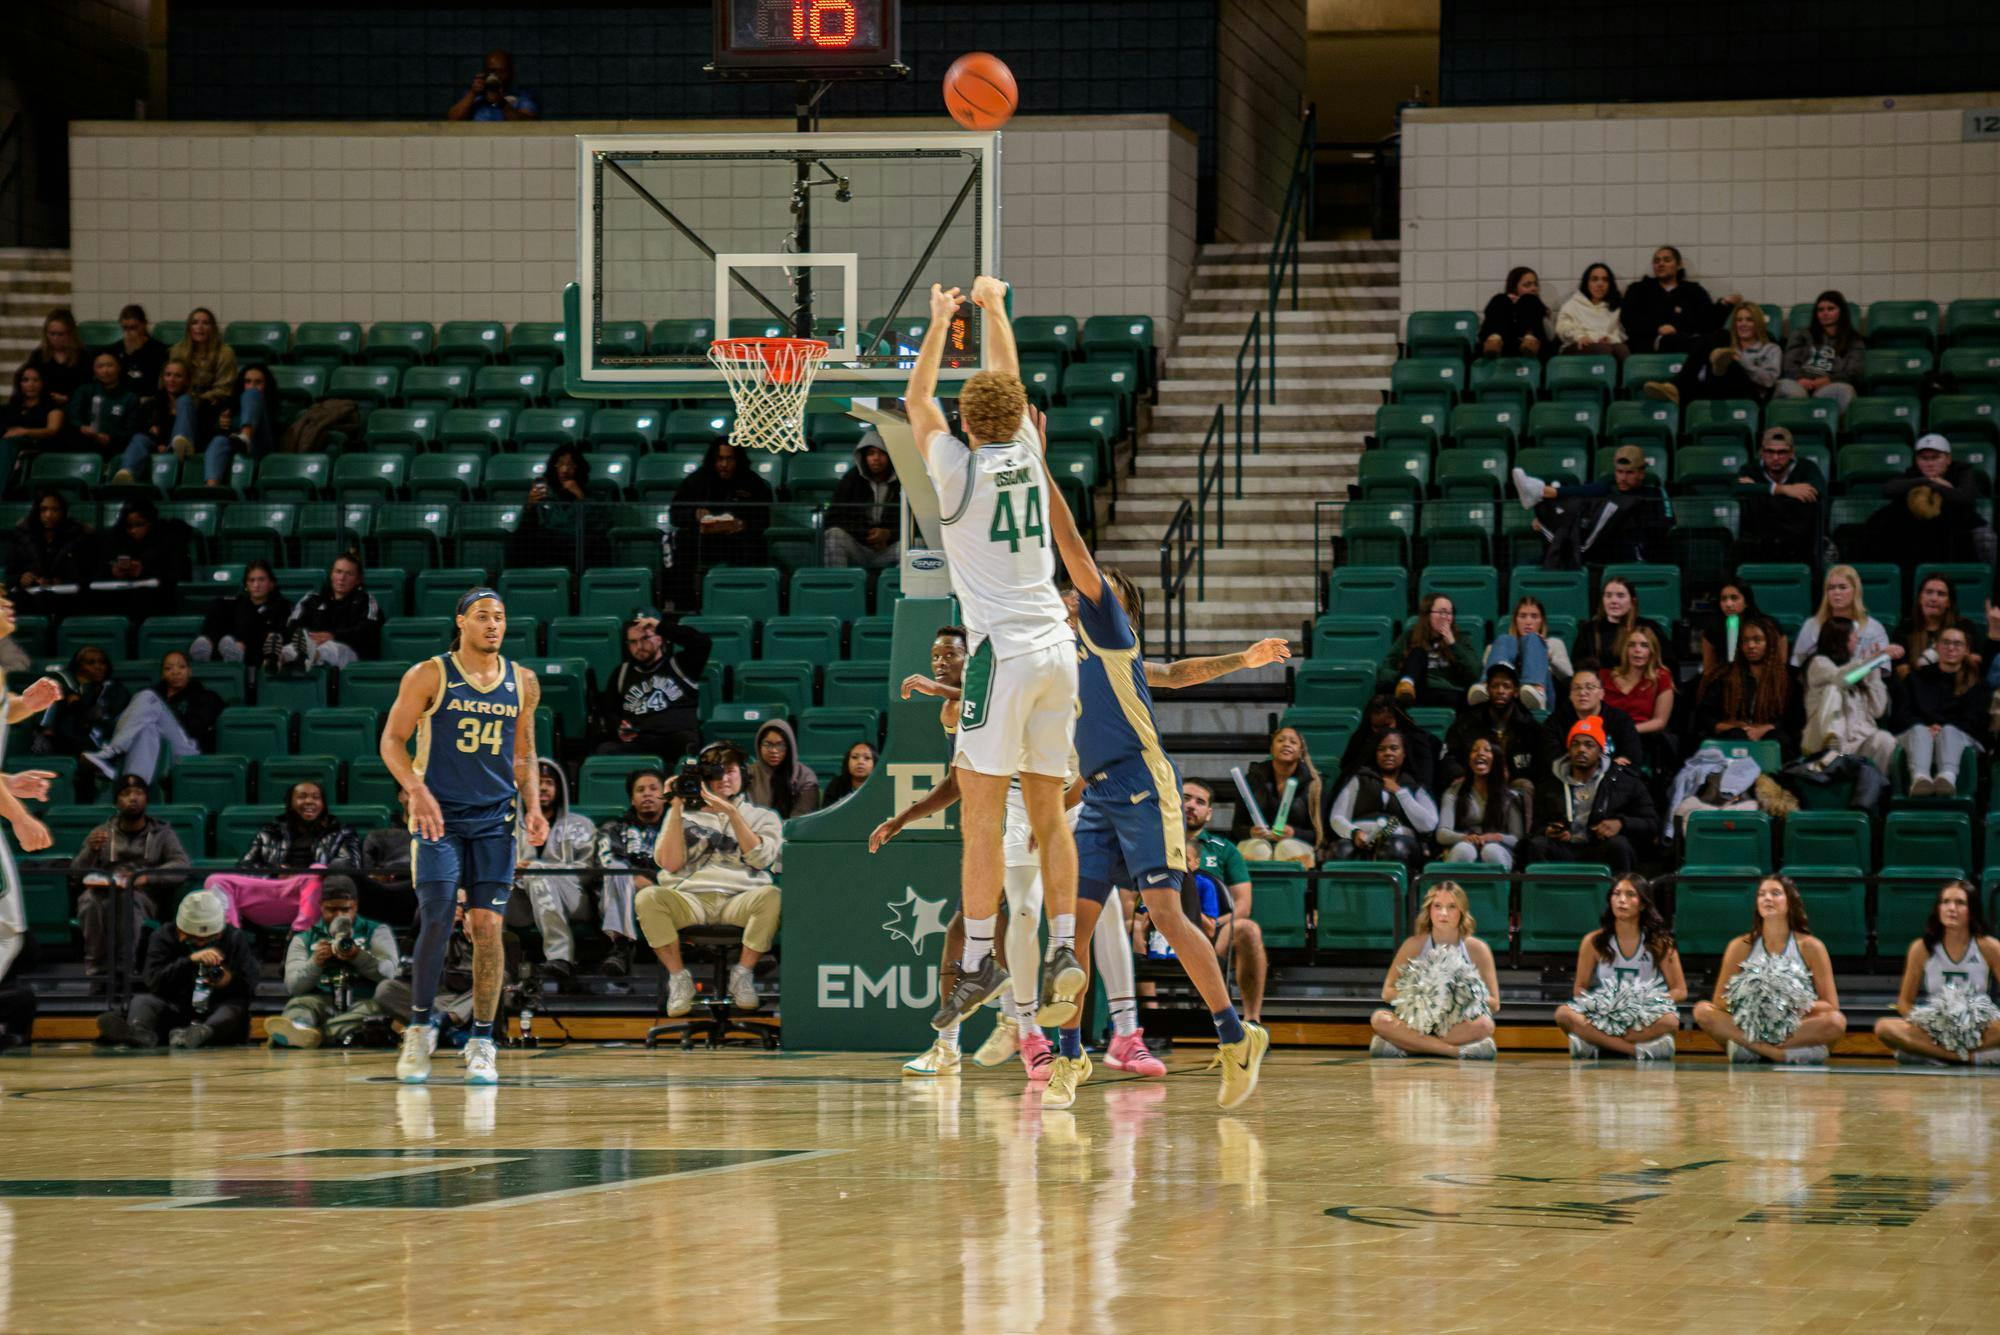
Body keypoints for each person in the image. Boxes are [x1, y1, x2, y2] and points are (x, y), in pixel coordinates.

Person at [1034, 473, 1272, 1111]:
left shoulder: (1108, 629)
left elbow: (1073, 548)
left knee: (1166, 913)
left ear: (1121, 608)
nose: (1084, 590)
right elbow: (1170, 675)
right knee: (1071, 934)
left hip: (1144, 785)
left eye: (1100, 588)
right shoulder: (1077, 660)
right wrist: (1056, 810)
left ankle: (1234, 1037)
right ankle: (1068, 1055)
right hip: (1102, 794)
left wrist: (1040, 466)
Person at [909, 277, 1085, 1052]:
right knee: (1048, 815)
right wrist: (996, 308)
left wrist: (940, 321)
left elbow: (917, 402)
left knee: (980, 817)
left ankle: (979, 960)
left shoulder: (957, 466)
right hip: (1058, 649)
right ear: (1016, 418)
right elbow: (1006, 384)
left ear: (966, 423)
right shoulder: (1028, 447)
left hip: (1003, 654)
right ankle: (1064, 948)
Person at [871, 624, 1059, 1082]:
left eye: (949, 654)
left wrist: (940, 688)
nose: (939, 661)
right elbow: (959, 782)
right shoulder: (954, 714)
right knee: (970, 931)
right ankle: (959, 1042)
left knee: (1016, 933)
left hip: (1032, 818)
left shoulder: (998, 698)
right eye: (935, 655)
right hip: (994, 831)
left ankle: (1026, 1032)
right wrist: (903, 818)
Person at [379, 589, 546, 1086]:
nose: (493, 625)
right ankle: (418, 1026)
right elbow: (391, 740)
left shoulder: (523, 682)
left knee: (488, 928)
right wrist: (415, 790)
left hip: (495, 819)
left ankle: (481, 1039)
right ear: (461, 622)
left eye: (499, 618)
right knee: (436, 917)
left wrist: (534, 806)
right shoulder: (429, 673)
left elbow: (524, 753)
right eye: (482, 617)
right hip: (439, 818)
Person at [636, 742, 783, 1017]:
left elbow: (761, 859)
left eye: (730, 771)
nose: (724, 779)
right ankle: (679, 979)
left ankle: (742, 975)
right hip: (691, 900)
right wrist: (676, 804)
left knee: (772, 896)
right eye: (716, 774)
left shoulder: (763, 816)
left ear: (744, 774)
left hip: (740, 900)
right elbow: (670, 863)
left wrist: (732, 814)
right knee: (648, 897)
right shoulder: (684, 815)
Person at [1692, 875, 1848, 1063]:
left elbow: (1830, 1005)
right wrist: (1755, 1004)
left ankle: (1751, 1050)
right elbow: (1719, 1000)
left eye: (1775, 893)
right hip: (1752, 1024)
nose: (1767, 898)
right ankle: (1779, 1054)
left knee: (1836, 1021)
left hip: (1792, 1025)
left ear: (1790, 902)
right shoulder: (1740, 945)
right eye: (1761, 894)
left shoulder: (1811, 946)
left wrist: (1786, 1005)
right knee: (1702, 1010)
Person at [94, 889, 258, 1049]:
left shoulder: (234, 938)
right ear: (181, 930)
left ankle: (201, 1034)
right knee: (142, 1001)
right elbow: (153, 982)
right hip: (174, 1008)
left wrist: (228, 980)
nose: (201, 943)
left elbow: (248, 987)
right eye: (194, 938)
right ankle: (138, 1032)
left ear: (220, 932)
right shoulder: (163, 936)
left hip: (215, 1011)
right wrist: (188, 962)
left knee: (235, 1007)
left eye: (208, 938)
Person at [69, 774, 193, 984]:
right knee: (89, 901)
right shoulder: (102, 833)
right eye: (126, 794)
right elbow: (76, 872)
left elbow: (182, 866)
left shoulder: (162, 833)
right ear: (117, 801)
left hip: (143, 895)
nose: (133, 798)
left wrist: (145, 877)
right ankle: (98, 970)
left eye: (139, 793)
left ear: (146, 799)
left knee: (128, 900)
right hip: (104, 891)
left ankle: (124, 969)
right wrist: (90, 851)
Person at [1552, 873, 1687, 1060]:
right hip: (1606, 1014)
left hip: (1642, 1014)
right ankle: (1638, 1051)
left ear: (1643, 904)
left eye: (1630, 894)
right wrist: (1601, 1006)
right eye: (1617, 894)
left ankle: (1596, 1045)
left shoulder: (1660, 942)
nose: (1621, 900)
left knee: (1670, 1021)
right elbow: (1580, 988)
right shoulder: (1593, 941)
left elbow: (1680, 990)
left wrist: (1645, 1002)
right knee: (1564, 1014)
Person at [204, 780, 362, 931]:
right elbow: (245, 866)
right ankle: (231, 936)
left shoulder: (341, 832)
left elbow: (351, 866)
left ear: (323, 804)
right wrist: (275, 871)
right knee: (216, 880)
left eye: (316, 797)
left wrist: (304, 873)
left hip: (317, 894)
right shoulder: (270, 831)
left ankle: (301, 934)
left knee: (316, 870)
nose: (309, 801)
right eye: (302, 797)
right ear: (290, 803)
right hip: (274, 890)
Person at [264, 876, 400, 1050]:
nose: (339, 915)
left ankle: (311, 1036)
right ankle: (301, 1028)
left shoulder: (376, 931)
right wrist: (315, 962)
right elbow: (293, 986)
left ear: (356, 906)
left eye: (345, 909)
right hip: (320, 1000)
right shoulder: (304, 939)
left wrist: (358, 956)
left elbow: (390, 974)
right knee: (299, 1005)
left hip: (362, 1000)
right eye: (331, 909)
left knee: (376, 1009)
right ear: (321, 906)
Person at [1872, 881, 2000, 1065]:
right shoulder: (1921, 948)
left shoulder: (1989, 946)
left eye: (1960, 903)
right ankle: (1969, 1058)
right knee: (1884, 1027)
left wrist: (1980, 1022)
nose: (1951, 908)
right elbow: (1904, 1002)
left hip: (1977, 1027)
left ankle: (1932, 1055)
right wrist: (1928, 1022)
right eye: (1945, 902)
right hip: (1937, 1027)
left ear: (1972, 910)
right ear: (1938, 908)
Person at [1368, 882, 1500, 1059]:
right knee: (1379, 1019)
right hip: (1418, 1023)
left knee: (1485, 1025)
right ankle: (1455, 1052)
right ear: (1429, 910)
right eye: (1437, 906)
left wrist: (1461, 997)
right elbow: (1387, 992)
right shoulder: (1413, 945)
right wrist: (1422, 996)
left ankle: (1407, 1046)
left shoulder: (1478, 949)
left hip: (1455, 1026)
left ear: (1462, 911)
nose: (1443, 913)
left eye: (1451, 907)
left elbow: (1494, 1003)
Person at [375, 889, 526, 1039]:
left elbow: (507, 977)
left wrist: (479, 939)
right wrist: (438, 928)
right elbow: (409, 956)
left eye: (466, 905)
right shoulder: (435, 919)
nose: (460, 909)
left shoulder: (499, 931)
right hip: (436, 997)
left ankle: (443, 1023)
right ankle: (446, 1032)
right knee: (385, 989)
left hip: (471, 1000)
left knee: (496, 978)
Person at [1179, 779, 1268, 1025]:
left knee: (1248, 929)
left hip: (1213, 927)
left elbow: (1243, 904)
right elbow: (1130, 899)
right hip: (1162, 926)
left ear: (1209, 813)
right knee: (1127, 926)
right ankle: (1148, 1025)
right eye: (1185, 798)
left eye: (1200, 802)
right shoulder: (1151, 844)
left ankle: (1252, 1021)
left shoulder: (1224, 849)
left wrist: (1217, 924)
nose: (1191, 805)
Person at [1523, 716, 1659, 872]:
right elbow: (1535, 827)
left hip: (1601, 848)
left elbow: (1652, 824)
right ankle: (1543, 895)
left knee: (1619, 845)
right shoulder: (1550, 783)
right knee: (1537, 845)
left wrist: (1621, 823)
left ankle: (1620, 894)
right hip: (1564, 849)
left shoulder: (1624, 781)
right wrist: (1547, 831)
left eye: (1589, 745)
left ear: (1600, 751)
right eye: (1575, 744)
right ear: (1568, 749)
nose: (1581, 749)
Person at [1510, 444, 1669, 568]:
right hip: (1593, 552)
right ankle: (1542, 493)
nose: (1623, 478)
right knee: (1524, 567)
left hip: (1635, 553)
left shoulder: (1655, 494)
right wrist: (1545, 520)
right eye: (1619, 472)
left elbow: (1666, 524)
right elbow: (1583, 502)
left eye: (1629, 473)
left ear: (1641, 473)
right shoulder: (1607, 489)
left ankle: (1540, 491)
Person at [512, 759, 596, 986]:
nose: (542, 788)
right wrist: (512, 872)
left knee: (537, 873)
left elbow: (587, 873)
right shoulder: (505, 827)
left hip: (573, 899)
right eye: (535, 782)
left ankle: (560, 957)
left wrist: (541, 870)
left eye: (548, 782)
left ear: (559, 789)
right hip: (521, 905)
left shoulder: (582, 824)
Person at [82, 650, 224, 784]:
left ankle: (112, 754)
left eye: (181, 667)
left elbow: (196, 728)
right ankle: (134, 785)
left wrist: (163, 716)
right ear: (162, 674)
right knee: (146, 729)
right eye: (169, 668)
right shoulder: (157, 694)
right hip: (155, 748)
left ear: (189, 671)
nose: (175, 672)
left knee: (147, 697)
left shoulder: (205, 696)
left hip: (186, 750)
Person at [592, 612, 711, 759]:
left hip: (675, 739)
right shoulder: (621, 673)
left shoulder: (681, 665)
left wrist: (661, 626)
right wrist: (619, 727)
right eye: (633, 642)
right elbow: (609, 712)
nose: (639, 646)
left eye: (645, 638)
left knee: (687, 744)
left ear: (659, 638)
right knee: (604, 750)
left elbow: (702, 643)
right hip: (639, 741)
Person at [1869, 435, 1997, 570]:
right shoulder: (1914, 473)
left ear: (1948, 459)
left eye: (1935, 457)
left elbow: (1964, 497)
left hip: (1960, 524)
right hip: (1921, 526)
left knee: (1986, 539)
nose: (1929, 463)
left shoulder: (1962, 470)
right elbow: (1887, 489)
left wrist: (1936, 487)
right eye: (1924, 458)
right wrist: (1928, 481)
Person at [1323, 730, 1438, 874]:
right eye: (1381, 749)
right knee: (1340, 850)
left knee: (1394, 848)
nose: (1388, 753)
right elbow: (1337, 817)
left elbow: (1429, 824)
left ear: (1404, 753)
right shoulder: (1360, 779)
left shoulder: (1414, 786)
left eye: (1394, 748)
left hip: (1400, 840)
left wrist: (1401, 793)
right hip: (1361, 837)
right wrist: (1354, 833)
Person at [592, 768, 667, 979]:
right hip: (623, 894)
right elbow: (606, 862)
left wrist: (653, 886)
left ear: (664, 795)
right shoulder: (613, 828)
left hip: (668, 895)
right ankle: (621, 946)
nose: (647, 794)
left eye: (654, 788)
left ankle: (621, 950)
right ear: (633, 800)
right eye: (640, 790)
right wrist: (634, 879)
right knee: (617, 871)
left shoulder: (677, 829)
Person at [1899, 626, 1990, 797]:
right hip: (1919, 734)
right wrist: (1928, 728)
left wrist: (1941, 728)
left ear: (1966, 650)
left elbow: (1976, 720)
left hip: (1961, 736)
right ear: (1937, 646)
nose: (1951, 648)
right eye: (1946, 642)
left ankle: (1947, 778)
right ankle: (1920, 779)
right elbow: (1903, 714)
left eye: (1957, 644)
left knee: (1949, 731)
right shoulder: (1916, 677)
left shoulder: (1978, 684)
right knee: (1919, 730)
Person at [1691, 614, 1801, 754]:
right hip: (1734, 733)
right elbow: (1705, 714)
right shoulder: (1725, 675)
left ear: (1770, 642)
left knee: (1778, 739)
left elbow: (1796, 717)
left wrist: (1766, 728)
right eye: (1745, 641)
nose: (1750, 646)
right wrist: (1727, 727)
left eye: (1757, 640)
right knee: (1737, 737)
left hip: (1772, 733)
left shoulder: (1788, 677)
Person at [670, 439, 774, 584]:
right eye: (720, 459)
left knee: (754, 545)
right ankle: (684, 602)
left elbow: (764, 519)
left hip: (738, 541)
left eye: (729, 459)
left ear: (738, 459)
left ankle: (745, 593)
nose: (724, 465)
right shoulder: (696, 481)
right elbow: (675, 514)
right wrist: (694, 514)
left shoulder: (753, 483)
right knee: (682, 541)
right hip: (704, 541)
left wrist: (744, 525)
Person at [1800, 616, 1896, 771]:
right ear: (1840, 639)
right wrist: (1874, 660)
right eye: (1853, 635)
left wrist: (1874, 672)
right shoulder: (1818, 664)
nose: (1857, 640)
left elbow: (1878, 710)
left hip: (1857, 743)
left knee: (1885, 740)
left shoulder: (1859, 669)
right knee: (1833, 690)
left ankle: (1876, 785)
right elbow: (1843, 678)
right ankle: (1833, 742)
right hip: (1824, 745)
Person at [1645, 303, 1780, 405]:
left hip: (1750, 396)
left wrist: (1740, 362)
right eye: (1739, 320)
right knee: (1712, 340)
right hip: (1718, 389)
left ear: (1758, 323)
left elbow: (1769, 380)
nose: (1743, 324)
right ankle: (1676, 387)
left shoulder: (1770, 348)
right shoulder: (1725, 343)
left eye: (1749, 320)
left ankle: (1677, 387)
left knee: (1728, 361)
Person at [1730, 426, 1827, 568]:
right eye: (1770, 451)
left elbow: (1817, 490)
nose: (1775, 458)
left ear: (1792, 453)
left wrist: (1759, 490)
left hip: (1798, 542)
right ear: (1762, 452)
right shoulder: (1750, 469)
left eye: (1782, 452)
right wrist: (1784, 490)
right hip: (1760, 540)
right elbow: (1737, 488)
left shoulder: (1807, 468)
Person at [1229, 724, 1324, 866]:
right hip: (1256, 842)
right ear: (1272, 749)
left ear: (1301, 751)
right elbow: (1237, 826)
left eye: (1293, 742)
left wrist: (1294, 833)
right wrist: (1251, 832)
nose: (1286, 744)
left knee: (1286, 848)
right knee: (1259, 849)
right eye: (1280, 740)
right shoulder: (1253, 779)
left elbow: (1319, 834)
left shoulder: (1314, 785)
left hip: (1296, 844)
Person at [1619, 245, 1740, 356]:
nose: (1661, 264)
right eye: (1656, 261)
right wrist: (1657, 328)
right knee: (1677, 341)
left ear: (1679, 265)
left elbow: (1708, 322)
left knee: (1724, 335)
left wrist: (1724, 304)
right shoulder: (1638, 290)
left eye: (1667, 260)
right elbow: (1629, 318)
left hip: (1689, 338)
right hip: (1652, 343)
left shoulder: (1694, 291)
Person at [508, 443, 608, 570]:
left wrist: (581, 497)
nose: (564, 470)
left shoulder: (593, 497)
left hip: (576, 542)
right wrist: (530, 507)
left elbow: (600, 526)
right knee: (519, 539)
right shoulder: (544, 495)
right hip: (550, 543)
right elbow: (527, 527)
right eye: (560, 464)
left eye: (570, 465)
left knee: (596, 543)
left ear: (579, 468)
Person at [1436, 736, 1528, 870]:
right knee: (1463, 850)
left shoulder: (1510, 797)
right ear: (1469, 760)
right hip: (1464, 844)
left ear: (1496, 758)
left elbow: (1517, 839)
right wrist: (1466, 837)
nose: (1480, 753)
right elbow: (1442, 834)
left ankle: (1500, 890)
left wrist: (1497, 837)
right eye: (1475, 750)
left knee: (1491, 851)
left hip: (1499, 848)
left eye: (1487, 750)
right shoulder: (1453, 792)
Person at [1446, 661, 1543, 785]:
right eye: (1495, 686)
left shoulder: (1529, 727)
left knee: (1525, 785)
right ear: (1487, 689)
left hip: (1515, 790)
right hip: (1475, 785)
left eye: (1506, 686)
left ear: (1516, 691)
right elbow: (1449, 757)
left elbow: (1542, 765)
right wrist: (1458, 775)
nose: (1500, 691)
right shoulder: (1467, 722)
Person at [280, 552, 382, 669]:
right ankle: (277, 659)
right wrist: (310, 636)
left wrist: (334, 635)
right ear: (331, 575)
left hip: (350, 652)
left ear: (358, 580)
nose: (342, 578)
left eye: (349, 574)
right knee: (292, 647)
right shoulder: (313, 598)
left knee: (333, 648)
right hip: (312, 642)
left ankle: (309, 654)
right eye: (338, 572)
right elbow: (293, 623)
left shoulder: (366, 600)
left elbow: (367, 630)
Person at [115, 360, 208, 484]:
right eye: (168, 375)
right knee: (139, 438)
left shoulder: (197, 405)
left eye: (178, 376)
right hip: (159, 445)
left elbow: (204, 434)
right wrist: (160, 444)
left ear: (187, 381)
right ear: (163, 378)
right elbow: (141, 429)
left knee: (184, 400)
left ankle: (181, 443)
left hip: (189, 449)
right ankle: (127, 473)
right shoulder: (152, 403)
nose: (172, 379)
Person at [1379, 592, 1477, 708]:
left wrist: (1452, 644)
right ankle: (1406, 683)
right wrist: (1405, 674)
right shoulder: (1410, 636)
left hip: (1447, 693)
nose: (1446, 617)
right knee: (1418, 652)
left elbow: (1475, 673)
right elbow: (1384, 671)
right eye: (1441, 612)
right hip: (1417, 691)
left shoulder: (1460, 640)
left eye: (1450, 613)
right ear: (1427, 615)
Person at [1473, 595, 1570, 711]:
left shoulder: (1553, 644)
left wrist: (1549, 659)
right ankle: (1485, 687)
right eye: (1523, 616)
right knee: (1504, 639)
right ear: (1515, 620)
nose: (1528, 622)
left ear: (1542, 621)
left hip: (1544, 700)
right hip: (1503, 698)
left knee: (1533, 639)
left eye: (1534, 616)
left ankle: (1535, 689)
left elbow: (1568, 677)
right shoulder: (1496, 647)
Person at [190, 559, 293, 668]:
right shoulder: (239, 603)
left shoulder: (283, 605)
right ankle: (207, 643)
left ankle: (235, 652)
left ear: (271, 583)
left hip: (262, 655)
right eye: (251, 580)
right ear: (246, 584)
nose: (256, 585)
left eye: (261, 580)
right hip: (238, 645)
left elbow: (281, 635)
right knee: (219, 606)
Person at [823, 430, 902, 568]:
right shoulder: (851, 479)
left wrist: (888, 534)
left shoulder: (903, 481)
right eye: (871, 453)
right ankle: (839, 586)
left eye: (882, 453)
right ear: (863, 457)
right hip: (859, 547)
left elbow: (915, 522)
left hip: (889, 548)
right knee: (833, 535)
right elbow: (832, 518)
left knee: (917, 544)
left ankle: (896, 588)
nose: (876, 458)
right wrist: (867, 534)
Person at [35, 645, 130, 760]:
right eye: (91, 663)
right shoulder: (69, 688)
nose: (98, 667)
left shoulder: (115, 689)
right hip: (66, 740)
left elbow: (98, 716)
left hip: (101, 742)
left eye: (102, 662)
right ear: (78, 667)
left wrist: (76, 704)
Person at [1338, 694, 1443, 796]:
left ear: (1397, 719)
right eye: (1376, 727)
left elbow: (1425, 785)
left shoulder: (1417, 742)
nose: (1383, 732)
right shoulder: (1361, 741)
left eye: (1387, 725)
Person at [1601, 625, 1676, 768]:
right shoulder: (1605, 677)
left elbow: (1660, 721)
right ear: (1625, 650)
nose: (1637, 650)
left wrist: (1628, 731)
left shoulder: (1661, 678)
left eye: (1644, 645)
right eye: (1632, 645)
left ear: (1652, 651)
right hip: (1605, 736)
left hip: (1641, 737)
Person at [1775, 290, 1863, 411]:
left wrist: (1829, 380)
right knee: (1784, 386)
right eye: (1820, 310)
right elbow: (1789, 362)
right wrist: (1800, 378)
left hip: (1830, 385)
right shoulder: (1801, 334)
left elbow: (1853, 371)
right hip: (1800, 383)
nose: (1825, 313)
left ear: (1841, 312)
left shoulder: (1853, 339)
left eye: (1830, 309)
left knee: (1845, 391)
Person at [1792, 565, 1893, 667]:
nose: (1836, 592)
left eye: (1842, 587)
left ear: (1855, 591)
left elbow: (1881, 670)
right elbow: (1798, 665)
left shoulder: (1873, 628)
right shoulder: (1812, 624)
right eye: (1831, 588)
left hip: (1861, 681)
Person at [1573, 575, 1673, 676]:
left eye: (1620, 596)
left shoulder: (1648, 627)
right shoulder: (1589, 630)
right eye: (1608, 595)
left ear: (1632, 602)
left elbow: (1667, 665)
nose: (1613, 601)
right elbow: (1579, 668)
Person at [94, 499, 192, 597]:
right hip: (122, 597)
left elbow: (178, 575)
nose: (133, 530)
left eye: (139, 525)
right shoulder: (115, 538)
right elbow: (100, 571)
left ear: (151, 523)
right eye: (129, 526)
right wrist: (112, 571)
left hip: (157, 598)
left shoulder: (167, 540)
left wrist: (145, 570)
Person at [201, 363, 278, 485]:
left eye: (258, 382)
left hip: (261, 446)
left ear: (266, 385)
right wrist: (222, 424)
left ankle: (245, 437)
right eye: (248, 382)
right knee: (218, 441)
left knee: (252, 394)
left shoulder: (272, 406)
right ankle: (211, 488)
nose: (252, 386)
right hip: (237, 447)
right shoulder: (232, 407)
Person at [8, 489, 91, 598]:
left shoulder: (77, 535)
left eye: (55, 510)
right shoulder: (23, 536)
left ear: (63, 512)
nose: (48, 515)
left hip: (69, 597)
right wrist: (21, 579)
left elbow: (87, 573)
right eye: (43, 509)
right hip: (30, 598)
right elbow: (10, 574)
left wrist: (64, 581)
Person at [747, 719, 820, 821]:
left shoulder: (805, 777)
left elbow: (800, 821)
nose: (774, 751)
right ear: (759, 746)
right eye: (767, 744)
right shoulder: (748, 774)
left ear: (790, 747)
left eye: (780, 745)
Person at [71, 351, 141, 458]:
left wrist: (111, 439)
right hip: (84, 444)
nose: (105, 370)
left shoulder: (130, 398)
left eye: (110, 365)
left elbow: (130, 429)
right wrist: (82, 427)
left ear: (119, 368)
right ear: (94, 370)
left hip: (117, 448)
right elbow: (73, 416)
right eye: (100, 366)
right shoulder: (84, 392)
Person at [170, 307, 238, 415]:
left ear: (213, 328)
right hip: (181, 402)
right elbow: (169, 381)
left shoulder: (225, 353)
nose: (200, 327)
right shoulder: (177, 350)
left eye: (205, 323)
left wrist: (199, 400)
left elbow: (225, 388)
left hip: (212, 404)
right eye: (195, 323)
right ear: (189, 328)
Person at [1552, 262, 1627, 360]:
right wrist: (1579, 336)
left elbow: (1618, 333)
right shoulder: (1573, 304)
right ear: (1587, 283)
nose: (1600, 284)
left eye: (1605, 280)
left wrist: (1609, 339)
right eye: (1595, 279)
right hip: (1577, 346)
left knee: (1622, 350)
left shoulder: (1614, 307)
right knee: (1603, 350)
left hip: (1604, 346)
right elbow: (1562, 327)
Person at [447, 48, 540, 122]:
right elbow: (452, 120)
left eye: (501, 72)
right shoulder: (474, 95)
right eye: (492, 71)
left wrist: (502, 103)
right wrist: (472, 94)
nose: (497, 76)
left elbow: (529, 125)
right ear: (485, 72)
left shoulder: (522, 97)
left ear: (511, 73)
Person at [1477, 266, 1548, 359]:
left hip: (1535, 350)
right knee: (1500, 299)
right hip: (1504, 347)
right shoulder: (1501, 302)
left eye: (1535, 284)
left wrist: (1544, 312)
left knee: (1529, 300)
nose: (1534, 288)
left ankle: (1530, 340)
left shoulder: (1539, 306)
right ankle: (1494, 340)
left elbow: (1550, 335)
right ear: (1514, 288)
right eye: (1527, 285)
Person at [21, 309, 86, 404]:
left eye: (61, 334)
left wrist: (68, 398)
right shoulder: (38, 355)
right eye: (52, 334)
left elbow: (85, 387)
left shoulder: (82, 356)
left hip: (74, 405)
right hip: (43, 404)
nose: (55, 339)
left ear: (70, 333)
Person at [106, 304, 168, 398]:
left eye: (133, 328)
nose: (129, 333)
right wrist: (128, 355)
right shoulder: (114, 350)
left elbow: (153, 382)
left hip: (146, 399)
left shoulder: (159, 350)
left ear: (144, 324)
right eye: (125, 328)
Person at [0, 366, 65, 450]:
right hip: (8, 444)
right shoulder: (10, 408)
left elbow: (52, 430)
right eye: (25, 380)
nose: (31, 384)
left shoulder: (52, 407)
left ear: (43, 383)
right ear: (19, 383)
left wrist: (24, 432)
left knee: (8, 443)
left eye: (36, 380)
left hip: (38, 447)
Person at [821, 740, 878, 808]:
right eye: (854, 757)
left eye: (867, 758)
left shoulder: (881, 787)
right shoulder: (836, 785)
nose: (860, 762)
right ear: (847, 762)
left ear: (875, 763)